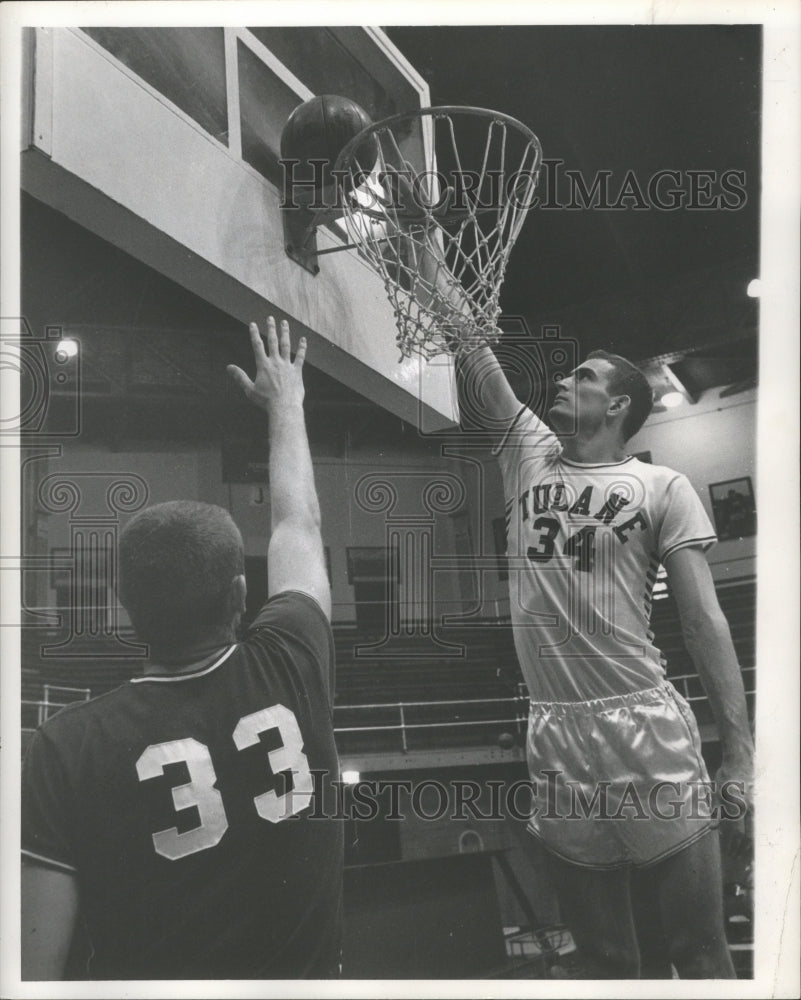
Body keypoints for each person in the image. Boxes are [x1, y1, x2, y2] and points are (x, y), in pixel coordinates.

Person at [391, 178, 754, 978]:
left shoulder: (660, 487)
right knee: (599, 955)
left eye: (584, 377)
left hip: (644, 725)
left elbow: (702, 623)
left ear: (619, 403)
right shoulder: (527, 449)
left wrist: (738, 750)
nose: (564, 381)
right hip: (554, 728)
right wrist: (425, 243)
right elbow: (463, 336)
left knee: (697, 948)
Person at [21, 317, 343, 980]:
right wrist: (286, 403)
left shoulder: (64, 746)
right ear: (239, 594)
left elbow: (34, 965)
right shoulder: (293, 660)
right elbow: (297, 523)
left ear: (123, 603)